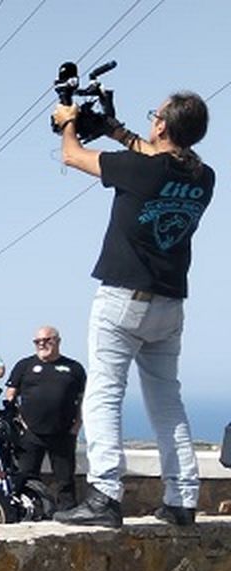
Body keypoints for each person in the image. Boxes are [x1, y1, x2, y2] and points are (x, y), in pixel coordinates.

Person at [51, 91, 214, 528]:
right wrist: (116, 130)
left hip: (123, 300)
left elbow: (71, 155)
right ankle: (182, 499)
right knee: (167, 401)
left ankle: (105, 494)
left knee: (104, 394)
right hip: (170, 304)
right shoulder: (205, 177)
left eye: (154, 116)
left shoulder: (137, 169)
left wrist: (68, 119)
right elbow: (159, 162)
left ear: (161, 126)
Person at [5, 327, 86, 512]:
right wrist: (18, 422)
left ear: (57, 341)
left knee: (65, 480)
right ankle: (25, 514)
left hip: (63, 433)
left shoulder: (74, 368)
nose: (42, 344)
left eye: (47, 340)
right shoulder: (24, 366)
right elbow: (10, 395)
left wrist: (77, 424)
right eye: (38, 341)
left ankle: (68, 516)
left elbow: (83, 399)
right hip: (30, 433)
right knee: (25, 478)